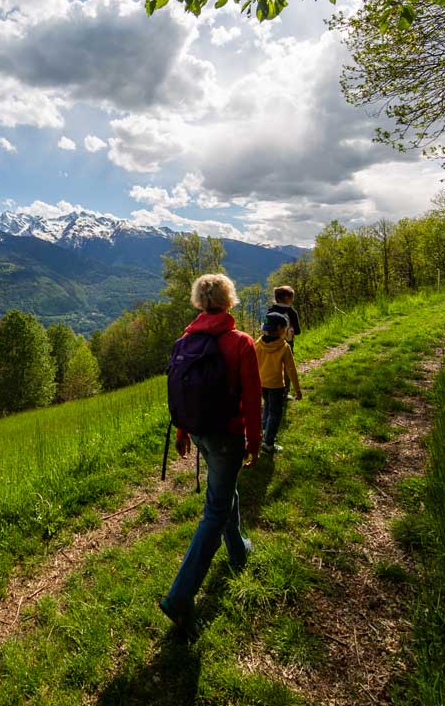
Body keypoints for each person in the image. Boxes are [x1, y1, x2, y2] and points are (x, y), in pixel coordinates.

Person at [160, 273, 263, 637]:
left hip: (200, 432)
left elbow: (182, 392)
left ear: (198, 302)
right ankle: (180, 596)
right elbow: (253, 400)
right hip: (227, 436)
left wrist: (183, 432)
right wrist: (254, 441)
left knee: (223, 490)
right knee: (214, 513)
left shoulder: (185, 340)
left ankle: (238, 552)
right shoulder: (241, 343)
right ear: (230, 300)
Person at [257, 319, 302, 454]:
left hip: (261, 384)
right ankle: (268, 443)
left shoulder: (258, 344)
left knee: (267, 407)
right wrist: (297, 389)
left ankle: (264, 433)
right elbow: (291, 369)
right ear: (279, 329)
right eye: (285, 327)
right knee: (275, 413)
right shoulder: (284, 347)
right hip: (276, 386)